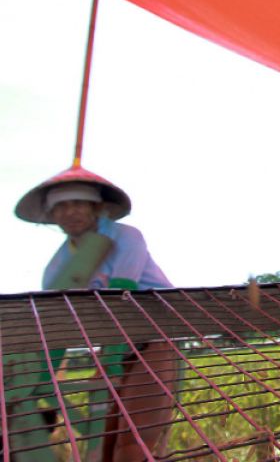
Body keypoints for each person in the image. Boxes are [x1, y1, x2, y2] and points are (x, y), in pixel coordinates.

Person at [14, 166, 178, 461]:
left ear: (97, 208)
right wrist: (39, 378)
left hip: (151, 337)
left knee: (132, 442)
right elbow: (54, 323)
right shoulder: (56, 267)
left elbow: (121, 293)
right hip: (107, 345)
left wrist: (112, 358)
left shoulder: (126, 237)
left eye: (77, 204)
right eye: (60, 207)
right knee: (102, 444)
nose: (69, 212)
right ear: (52, 217)